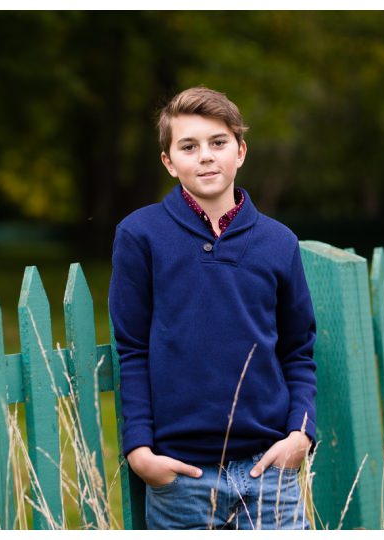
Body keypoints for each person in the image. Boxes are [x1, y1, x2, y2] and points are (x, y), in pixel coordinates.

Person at [109, 86, 317, 530]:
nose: (205, 156)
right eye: (189, 146)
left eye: (218, 143)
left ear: (240, 151)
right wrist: (140, 453)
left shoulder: (278, 242)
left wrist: (300, 435)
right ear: (169, 161)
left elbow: (298, 348)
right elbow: (132, 350)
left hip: (269, 473)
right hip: (181, 478)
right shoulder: (140, 236)